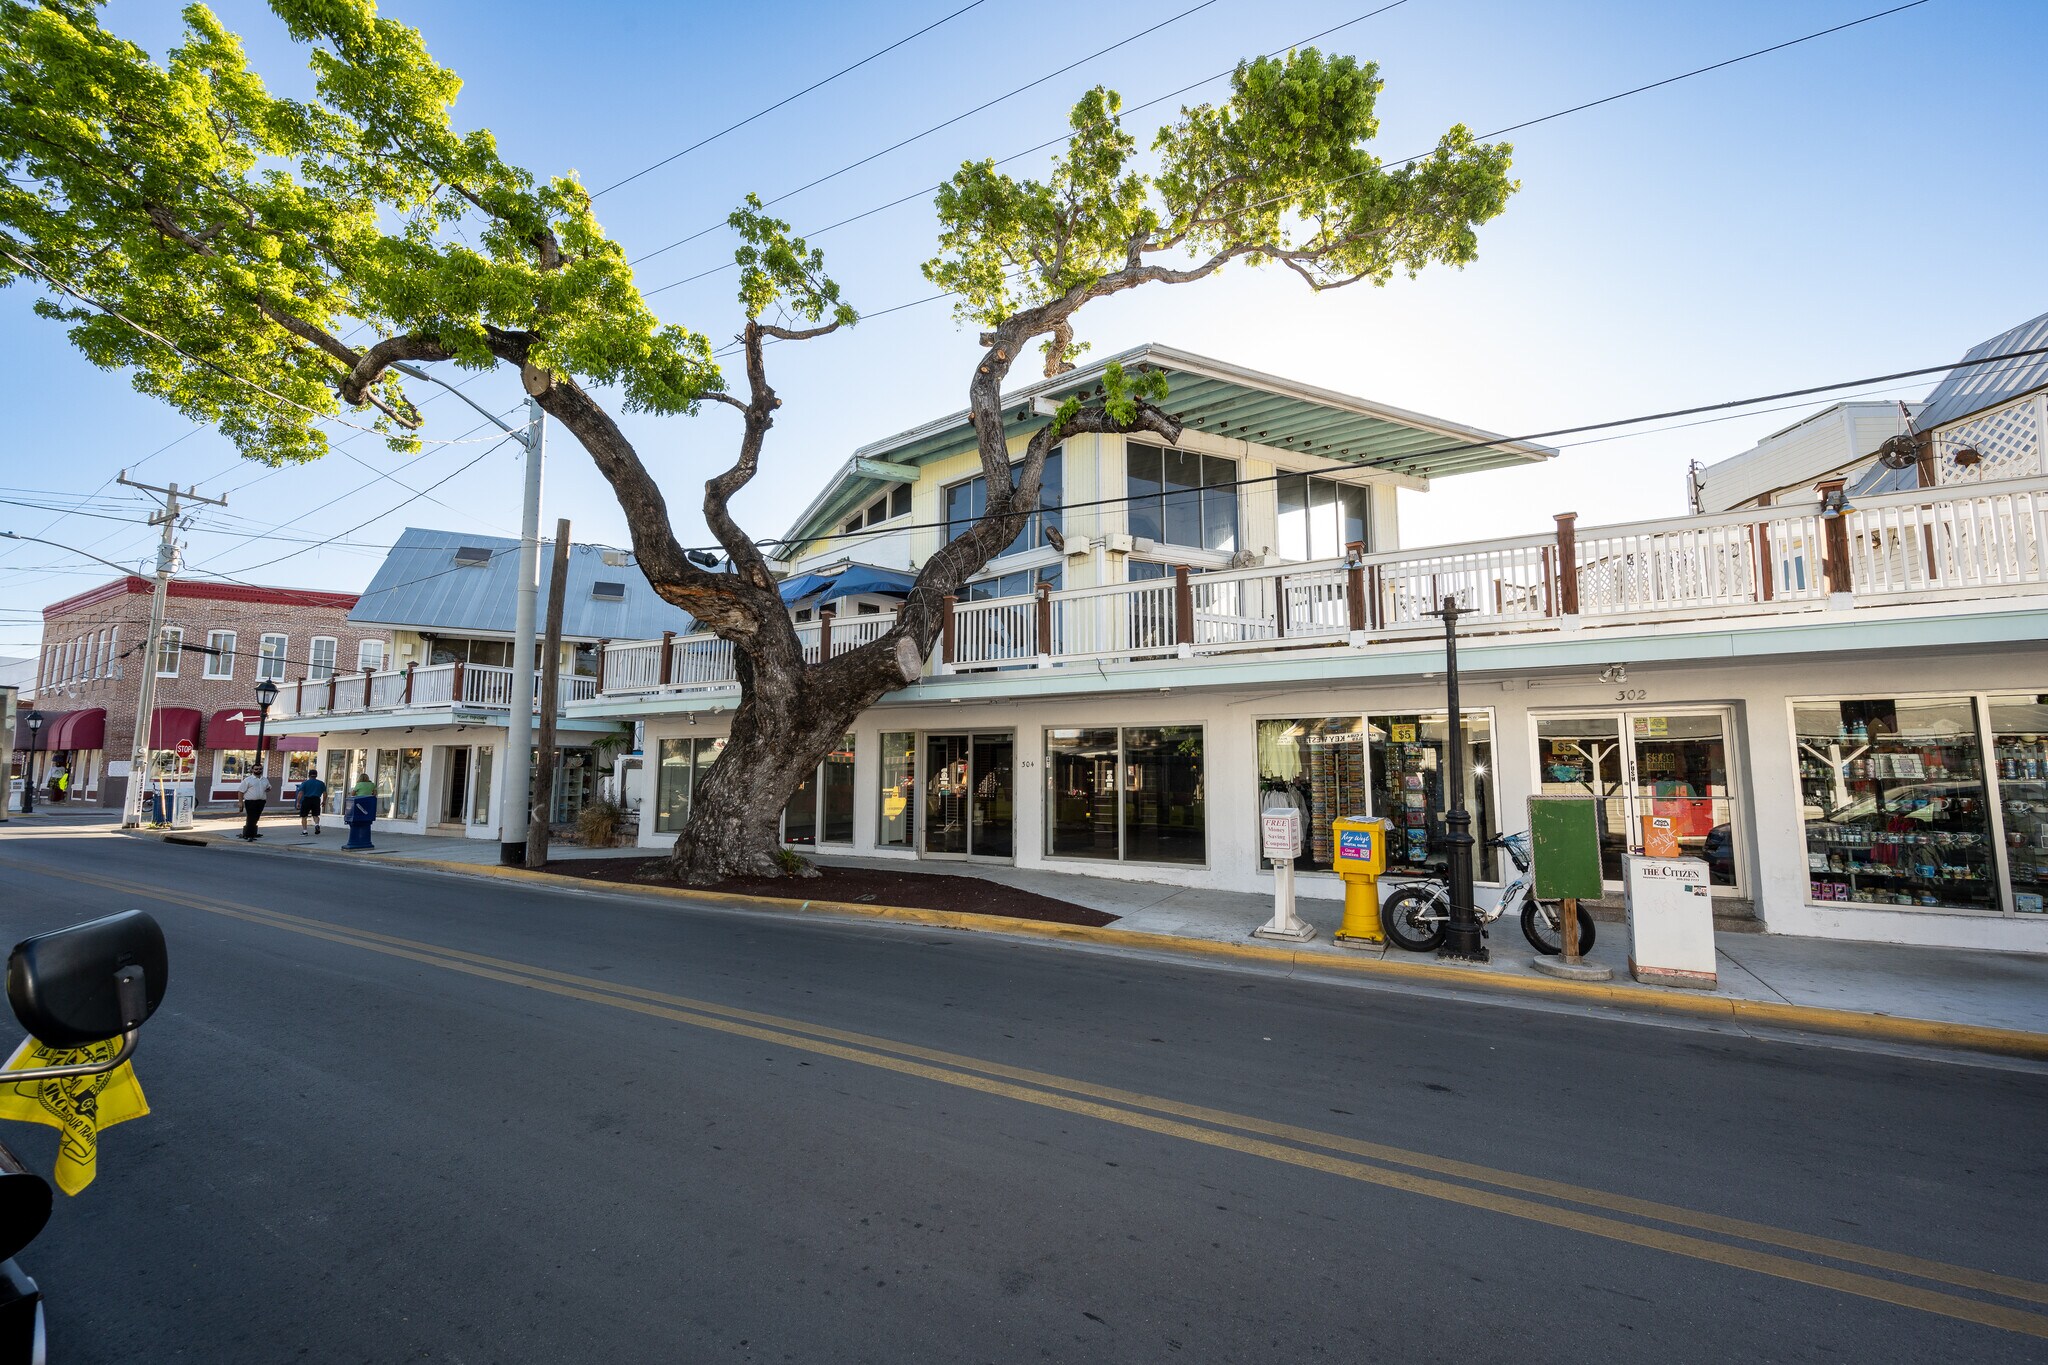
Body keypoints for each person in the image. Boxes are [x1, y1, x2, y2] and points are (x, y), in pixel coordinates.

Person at [236, 764, 270, 841]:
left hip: (261, 801)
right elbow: (240, 791)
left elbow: (268, 787)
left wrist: (267, 789)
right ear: (252, 770)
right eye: (256, 769)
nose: (258, 771)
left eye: (260, 769)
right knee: (251, 818)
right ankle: (248, 835)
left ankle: (252, 833)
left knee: (256, 817)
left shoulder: (265, 780)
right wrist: (240, 802)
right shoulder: (247, 780)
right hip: (250, 802)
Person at [296, 769, 329, 835]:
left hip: (307, 800)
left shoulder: (305, 783)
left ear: (309, 775)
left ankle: (305, 831)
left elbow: (300, 793)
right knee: (315, 815)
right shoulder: (321, 783)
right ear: (316, 775)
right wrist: (324, 801)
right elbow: (325, 793)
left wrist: (298, 802)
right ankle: (316, 825)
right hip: (316, 799)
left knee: (304, 816)